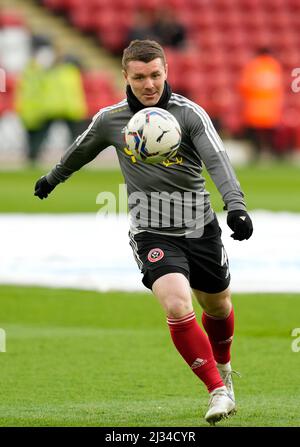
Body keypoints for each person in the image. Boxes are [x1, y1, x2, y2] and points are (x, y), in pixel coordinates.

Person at [34, 40, 253, 425]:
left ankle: (225, 367)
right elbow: (80, 150)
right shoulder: (110, 119)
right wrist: (52, 178)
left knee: (217, 306)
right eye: (139, 77)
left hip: (199, 226)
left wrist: (235, 205)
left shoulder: (189, 114)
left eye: (155, 75)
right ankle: (217, 390)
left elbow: (217, 159)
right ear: (125, 76)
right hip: (151, 230)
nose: (149, 84)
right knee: (176, 304)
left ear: (166, 71)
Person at [238, 47, 284, 160]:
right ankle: (269, 153)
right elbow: (279, 87)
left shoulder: (253, 65)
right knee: (269, 133)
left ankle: (258, 153)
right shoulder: (274, 65)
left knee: (256, 133)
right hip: (270, 106)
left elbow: (244, 86)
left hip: (255, 106)